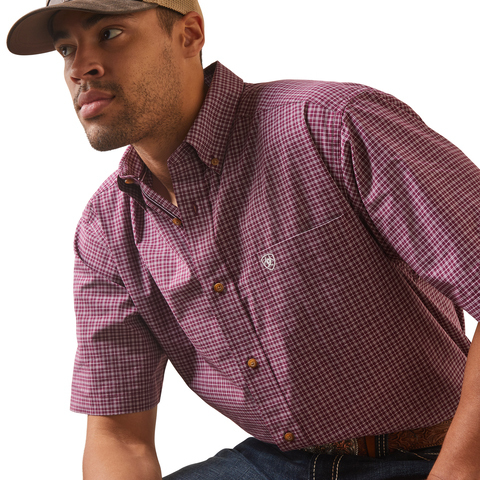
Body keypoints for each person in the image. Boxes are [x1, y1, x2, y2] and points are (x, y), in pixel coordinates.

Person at [7, 1, 480, 479]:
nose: (80, 68)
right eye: (66, 48)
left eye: (109, 33)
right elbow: (119, 436)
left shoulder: (332, 123)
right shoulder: (107, 228)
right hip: (277, 463)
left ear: (190, 35)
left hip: (438, 452)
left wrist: (458, 471)